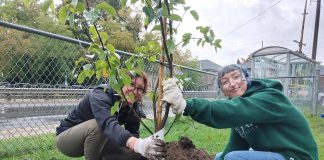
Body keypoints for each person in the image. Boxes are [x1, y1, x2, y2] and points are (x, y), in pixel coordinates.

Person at [162, 64, 318, 160]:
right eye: (225, 82)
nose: (232, 84)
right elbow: (236, 145)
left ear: (247, 79)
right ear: (222, 91)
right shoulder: (241, 111)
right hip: (277, 155)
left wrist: (187, 105)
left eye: (236, 77)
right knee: (220, 157)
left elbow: (233, 110)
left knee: (234, 158)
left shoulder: (269, 97)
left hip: (296, 157)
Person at [56, 71, 166, 160]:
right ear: (122, 84)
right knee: (98, 126)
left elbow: (133, 136)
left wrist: (143, 150)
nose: (135, 91)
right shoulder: (102, 93)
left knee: (137, 152)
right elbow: (106, 123)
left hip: (99, 141)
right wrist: (138, 144)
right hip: (68, 140)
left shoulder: (134, 108)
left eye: (140, 88)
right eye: (131, 84)